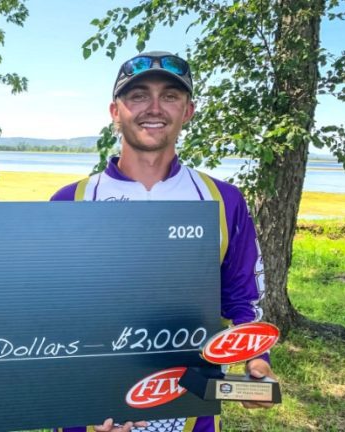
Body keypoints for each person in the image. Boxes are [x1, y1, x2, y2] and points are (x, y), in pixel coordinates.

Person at [50, 51, 275, 432]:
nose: (154, 108)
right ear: (115, 110)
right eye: (138, 96)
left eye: (170, 96)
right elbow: (45, 311)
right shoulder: (70, 201)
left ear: (188, 110)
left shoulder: (223, 200)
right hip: (89, 411)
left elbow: (241, 298)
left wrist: (257, 363)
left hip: (190, 410)